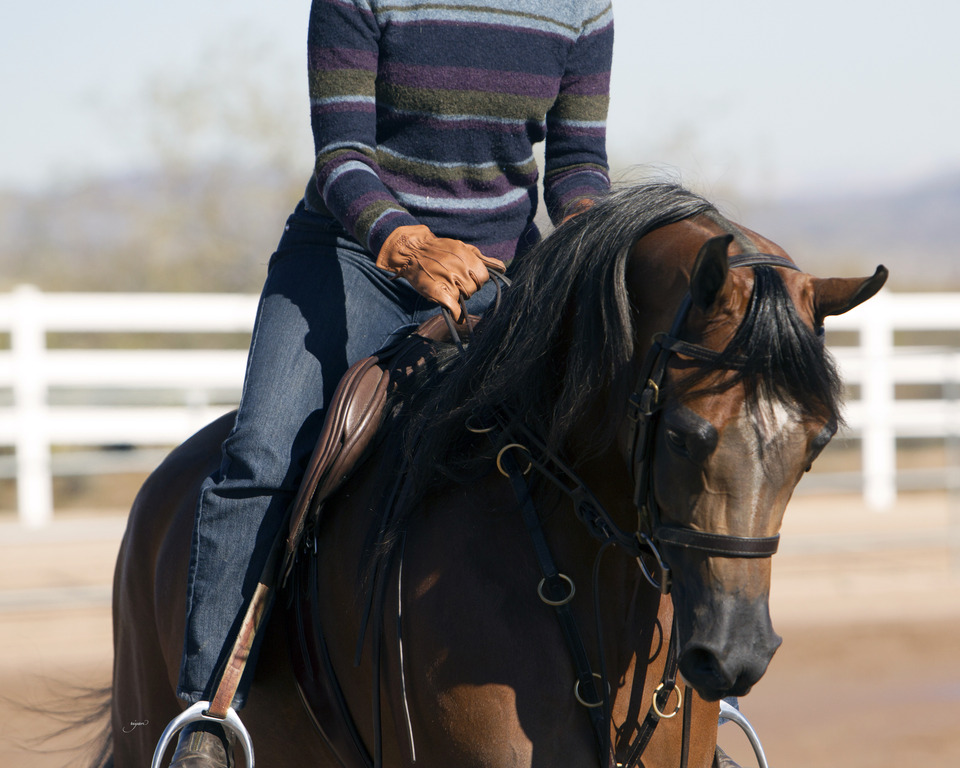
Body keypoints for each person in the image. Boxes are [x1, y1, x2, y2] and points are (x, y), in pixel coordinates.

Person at [167, 1, 613, 765]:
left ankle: (689, 705)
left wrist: (595, 248)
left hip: (499, 272)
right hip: (353, 258)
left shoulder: (583, 8)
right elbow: (341, 156)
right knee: (264, 457)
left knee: (613, 440)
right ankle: (208, 715)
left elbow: (576, 163)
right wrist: (407, 244)